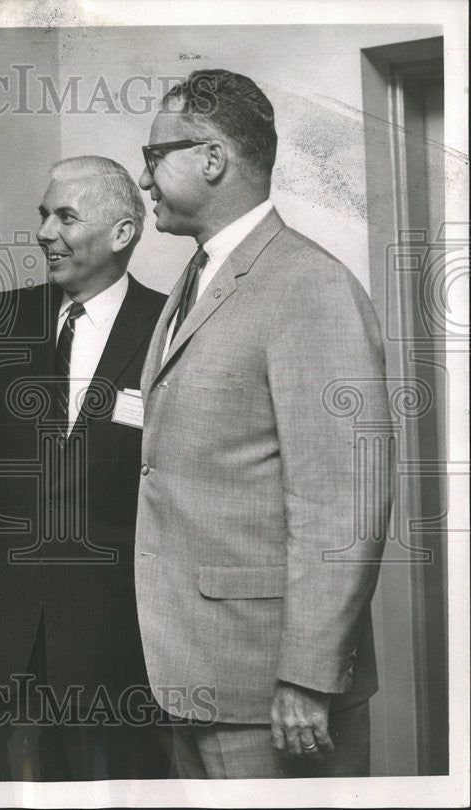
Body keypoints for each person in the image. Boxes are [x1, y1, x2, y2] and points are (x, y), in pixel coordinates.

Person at [133, 69, 393, 778]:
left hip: (273, 696)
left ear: (212, 159)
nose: (146, 176)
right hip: (195, 680)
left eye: (155, 156)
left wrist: (307, 678)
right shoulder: (199, 278)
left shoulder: (309, 285)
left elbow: (344, 501)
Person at [0, 156, 170, 781]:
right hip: (10, 634)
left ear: (122, 232)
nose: (45, 232)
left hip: (121, 641)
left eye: (65, 217)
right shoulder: (3, 318)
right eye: (43, 215)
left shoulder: (168, 329)